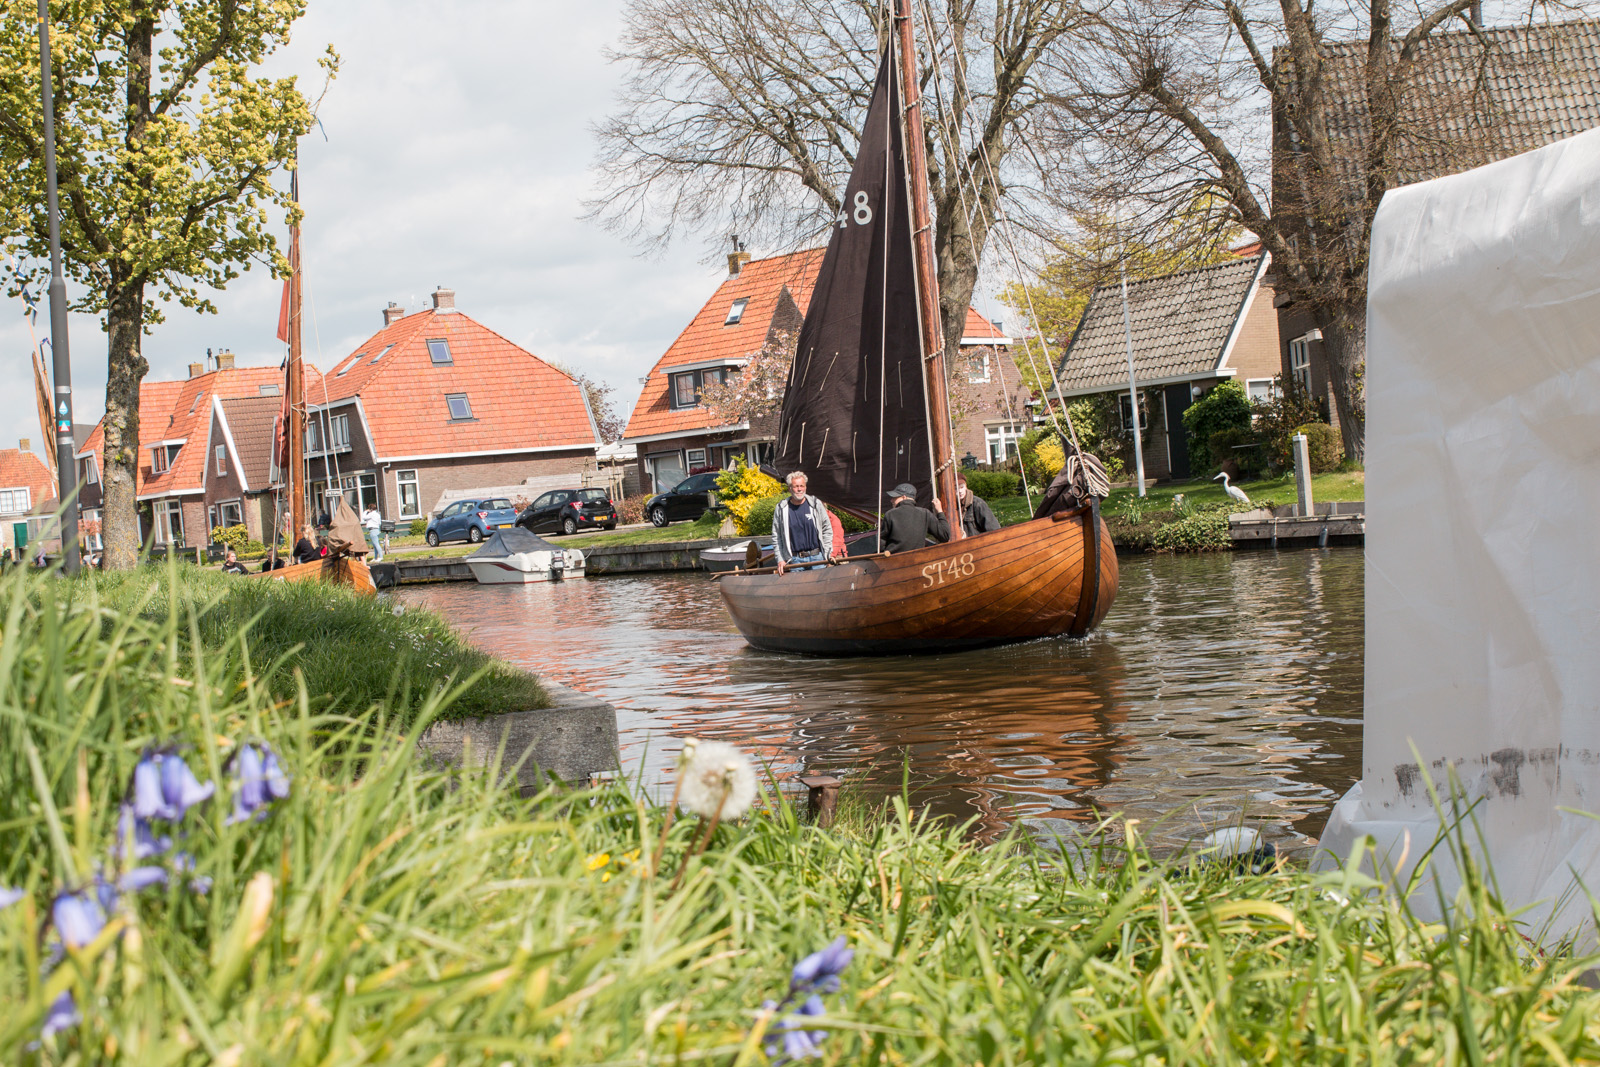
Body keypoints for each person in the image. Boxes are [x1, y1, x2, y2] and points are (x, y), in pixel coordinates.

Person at [771, 470, 834, 575]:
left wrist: (827, 553)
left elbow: (827, 529)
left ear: (805, 487)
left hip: (817, 558)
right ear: (790, 488)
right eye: (796, 486)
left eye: (802, 486)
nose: (799, 489)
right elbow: (777, 536)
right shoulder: (781, 508)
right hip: (795, 561)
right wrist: (780, 559)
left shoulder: (815, 504)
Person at [880, 482, 949, 555]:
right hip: (917, 558)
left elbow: (881, 543)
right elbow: (945, 536)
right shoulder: (925, 513)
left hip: (893, 559)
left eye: (894, 497)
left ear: (904, 497)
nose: (891, 500)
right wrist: (939, 511)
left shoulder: (890, 514)